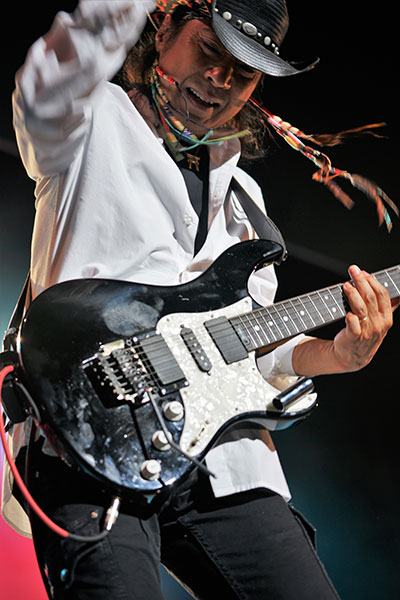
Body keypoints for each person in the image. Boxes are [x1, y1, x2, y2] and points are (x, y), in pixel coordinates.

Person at [1, 0, 397, 598]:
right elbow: (45, 84)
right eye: (210, 50)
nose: (219, 79)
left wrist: (339, 356)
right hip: (86, 431)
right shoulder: (88, 117)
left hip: (226, 461)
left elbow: (254, 349)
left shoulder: (247, 201)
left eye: (243, 73)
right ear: (163, 27)